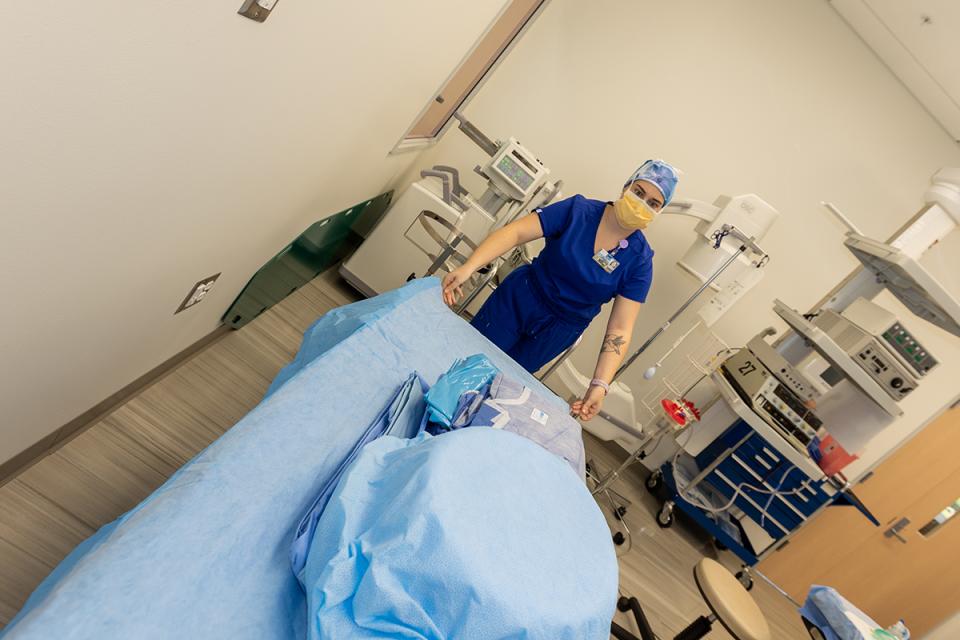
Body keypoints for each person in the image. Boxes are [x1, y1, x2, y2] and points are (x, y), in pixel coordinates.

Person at [442, 160, 679, 421]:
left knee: (500, 388)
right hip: (521, 298)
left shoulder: (640, 262)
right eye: (639, 192)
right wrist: (469, 268)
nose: (642, 204)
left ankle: (454, 432)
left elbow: (620, 328)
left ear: (659, 211)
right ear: (626, 187)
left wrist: (600, 384)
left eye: (654, 203)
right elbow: (516, 232)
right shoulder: (578, 210)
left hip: (557, 330)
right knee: (470, 362)